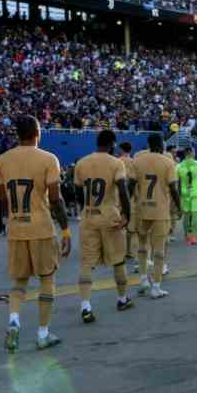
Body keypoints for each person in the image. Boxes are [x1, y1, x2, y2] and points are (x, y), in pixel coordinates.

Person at [0, 116, 71, 350]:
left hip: (16, 228)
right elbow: (55, 199)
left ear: (17, 134)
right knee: (47, 280)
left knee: (19, 282)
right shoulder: (49, 159)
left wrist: (10, 220)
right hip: (41, 227)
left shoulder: (4, 159)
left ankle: (14, 321)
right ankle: (42, 333)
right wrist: (66, 230)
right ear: (37, 133)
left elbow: (2, 198)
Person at [74, 130, 134, 323]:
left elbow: (77, 191)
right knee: (118, 260)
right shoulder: (116, 163)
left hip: (89, 215)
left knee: (86, 263)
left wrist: (85, 209)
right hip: (109, 216)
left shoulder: (82, 163)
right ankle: (122, 299)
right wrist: (127, 215)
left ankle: (85, 306)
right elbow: (123, 191)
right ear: (112, 144)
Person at [130, 132, 180, 299]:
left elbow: (130, 185)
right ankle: (156, 286)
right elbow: (173, 188)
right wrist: (179, 207)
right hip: (160, 210)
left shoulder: (137, 160)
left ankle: (143, 279)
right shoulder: (168, 162)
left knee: (143, 246)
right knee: (159, 250)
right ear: (162, 145)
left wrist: (129, 205)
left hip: (142, 208)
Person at [176, 146, 197, 245]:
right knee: (195, 216)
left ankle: (186, 236)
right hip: (195, 193)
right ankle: (193, 237)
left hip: (184, 194)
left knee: (186, 216)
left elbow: (176, 182)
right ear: (192, 153)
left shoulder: (179, 166)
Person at [118, 140, 139, 266]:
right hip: (131, 196)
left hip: (118, 196)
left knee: (120, 223)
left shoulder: (117, 161)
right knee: (131, 226)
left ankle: (120, 250)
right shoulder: (133, 162)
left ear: (121, 149)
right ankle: (129, 251)